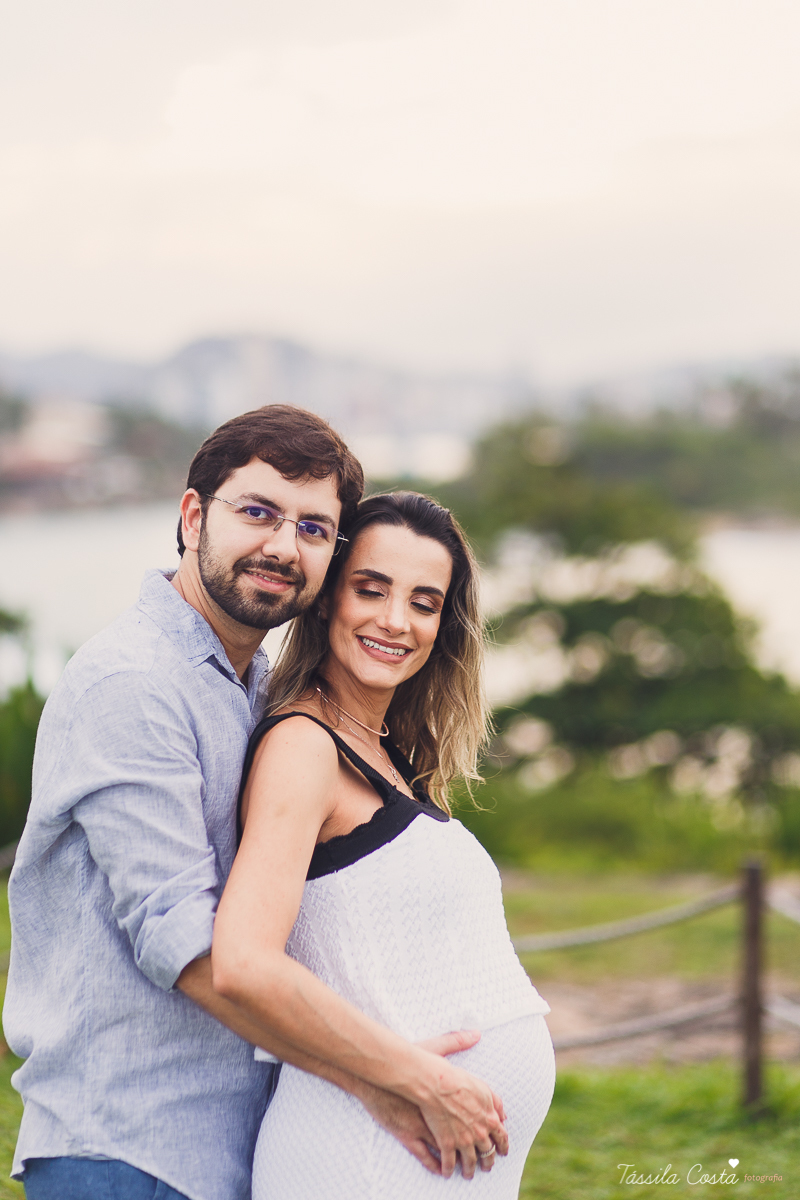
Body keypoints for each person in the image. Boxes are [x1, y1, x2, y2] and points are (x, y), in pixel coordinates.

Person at [5, 404, 423, 1200]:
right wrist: (391, 1077)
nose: (280, 545)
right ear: (194, 514)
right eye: (258, 512)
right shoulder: (134, 683)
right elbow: (186, 944)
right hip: (131, 1153)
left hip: (237, 1148)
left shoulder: (257, 686)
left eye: (312, 528)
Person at [211, 491, 556, 1199]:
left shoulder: (388, 753)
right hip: (364, 1150)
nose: (396, 622)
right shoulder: (304, 747)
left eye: (424, 603)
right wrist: (416, 1078)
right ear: (327, 599)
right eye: (371, 590)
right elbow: (243, 962)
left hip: (420, 1159)